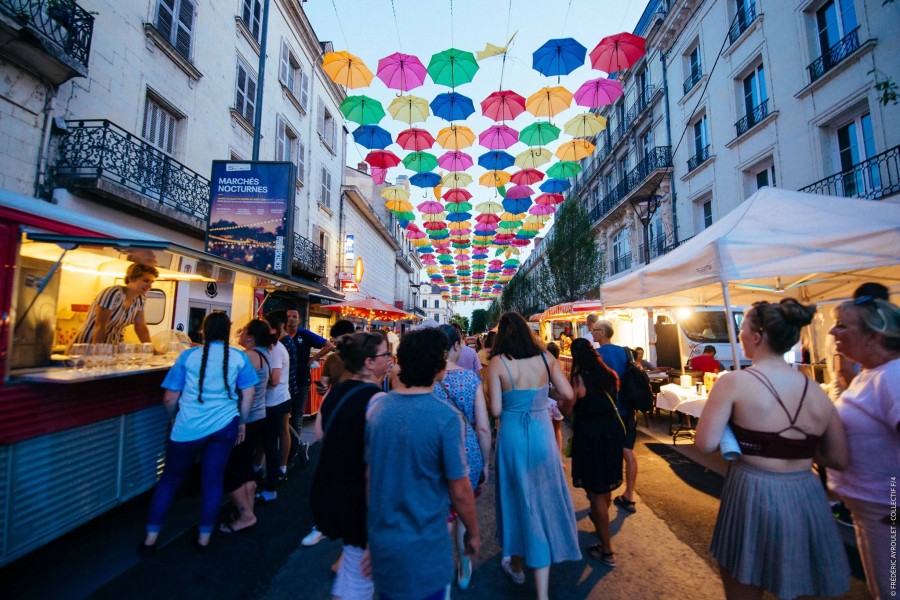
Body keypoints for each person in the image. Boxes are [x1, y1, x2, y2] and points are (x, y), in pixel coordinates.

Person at [695, 299, 850, 599]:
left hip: (752, 488)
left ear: (756, 337)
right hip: (805, 493)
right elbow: (838, 458)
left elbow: (705, 443)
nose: (739, 336)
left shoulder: (733, 382)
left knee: (745, 579)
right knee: (800, 581)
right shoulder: (816, 390)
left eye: (742, 329)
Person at [366, 328, 480, 600]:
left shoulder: (378, 409)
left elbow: (370, 478)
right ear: (437, 364)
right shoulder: (445, 418)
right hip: (427, 544)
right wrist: (473, 532)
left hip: (385, 541)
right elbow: (460, 490)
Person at [141, 311, 257, 553]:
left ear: (203, 331)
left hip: (187, 427)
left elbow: (169, 397)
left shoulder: (188, 356)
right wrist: (242, 422)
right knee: (212, 482)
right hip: (225, 426)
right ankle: (204, 538)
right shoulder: (238, 357)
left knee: (169, 481)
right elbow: (248, 394)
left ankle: (150, 538)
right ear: (227, 331)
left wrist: (175, 418)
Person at [486, 311, 580, 598]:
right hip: (541, 433)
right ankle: (537, 582)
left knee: (516, 499)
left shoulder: (497, 363)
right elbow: (566, 393)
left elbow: (496, 411)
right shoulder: (545, 359)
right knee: (542, 496)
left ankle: (516, 563)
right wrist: (540, 396)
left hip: (513, 434)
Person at [827, 294, 899, 600]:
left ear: (873, 335)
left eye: (842, 326)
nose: (832, 333)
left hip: (888, 510)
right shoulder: (870, 373)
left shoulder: (893, 376)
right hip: (871, 509)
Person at [310, 331, 392, 599]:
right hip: (360, 500)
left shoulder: (338, 391)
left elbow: (320, 434)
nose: (390, 358)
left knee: (352, 571)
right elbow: (377, 465)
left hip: (332, 488)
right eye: (385, 354)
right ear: (369, 362)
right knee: (360, 580)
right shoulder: (377, 399)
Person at [433, 324, 491, 590]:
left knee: (440, 515)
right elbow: (483, 427)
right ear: (456, 346)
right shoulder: (471, 379)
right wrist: (486, 462)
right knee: (464, 512)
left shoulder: (427, 378)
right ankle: (464, 566)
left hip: (435, 455)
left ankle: (439, 571)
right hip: (467, 455)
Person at [558, 338, 625, 567]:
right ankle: (601, 525)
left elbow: (567, 409)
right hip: (612, 432)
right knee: (605, 483)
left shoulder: (578, 379)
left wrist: (559, 402)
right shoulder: (609, 375)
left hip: (591, 435)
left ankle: (607, 550)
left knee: (595, 489)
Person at [303, 318, 356, 549]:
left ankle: (350, 521)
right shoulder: (334, 359)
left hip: (354, 415)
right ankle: (325, 523)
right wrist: (322, 387)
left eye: (341, 340)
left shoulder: (362, 358)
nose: (338, 344)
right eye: (336, 341)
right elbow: (325, 383)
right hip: (337, 414)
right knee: (331, 472)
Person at [220, 318, 276, 533]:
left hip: (246, 419)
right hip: (259, 416)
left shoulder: (248, 356)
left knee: (234, 469)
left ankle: (245, 515)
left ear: (250, 337)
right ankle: (248, 508)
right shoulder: (265, 353)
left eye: (243, 331)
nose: (240, 334)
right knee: (247, 465)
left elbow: (229, 381)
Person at [591, 320, 638, 514]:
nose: (592, 333)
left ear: (602, 333)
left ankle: (603, 500)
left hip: (609, 410)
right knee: (628, 452)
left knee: (605, 454)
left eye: (594, 331)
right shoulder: (627, 352)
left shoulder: (599, 355)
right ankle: (629, 495)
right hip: (628, 408)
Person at [285, 308, 334, 467]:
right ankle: (297, 445)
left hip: (301, 380)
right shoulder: (281, 337)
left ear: (299, 320)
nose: (291, 319)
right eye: (289, 317)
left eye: (295, 316)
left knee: (296, 417)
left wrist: (314, 357)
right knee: (283, 418)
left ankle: (292, 453)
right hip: (283, 382)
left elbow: (329, 345)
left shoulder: (304, 335)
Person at [72, 262, 158, 345]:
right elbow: (101, 326)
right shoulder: (113, 293)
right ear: (131, 278)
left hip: (113, 345)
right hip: (90, 344)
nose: (149, 286)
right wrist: (97, 351)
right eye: (146, 281)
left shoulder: (140, 299)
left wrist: (150, 348)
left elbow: (141, 327)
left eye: (151, 282)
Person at [258, 310, 291, 502]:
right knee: (273, 438)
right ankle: (276, 472)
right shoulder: (274, 347)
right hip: (280, 398)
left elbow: (275, 379)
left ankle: (272, 484)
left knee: (270, 442)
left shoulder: (275, 350)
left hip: (275, 400)